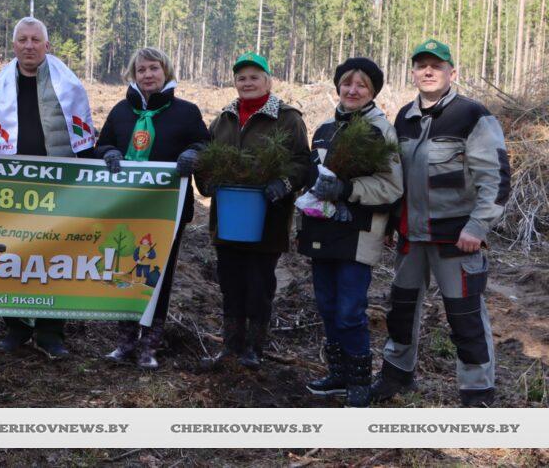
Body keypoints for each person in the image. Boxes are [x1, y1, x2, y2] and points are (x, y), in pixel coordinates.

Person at [371, 40, 510, 408]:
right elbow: (396, 177)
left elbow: (495, 178)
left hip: (456, 239)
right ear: (413, 73)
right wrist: (391, 224)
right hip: (411, 237)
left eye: (437, 65)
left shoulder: (472, 115)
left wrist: (477, 227)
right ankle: (396, 375)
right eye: (422, 66)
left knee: (466, 318)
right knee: (400, 311)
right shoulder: (404, 117)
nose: (428, 71)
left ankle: (477, 394)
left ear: (452, 73)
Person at [0, 16, 96, 358]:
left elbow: (83, 136)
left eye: (35, 40)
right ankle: (16, 327)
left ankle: (50, 332)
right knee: (12, 254)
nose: (29, 46)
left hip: (57, 187)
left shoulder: (68, 85)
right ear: (13, 45)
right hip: (11, 185)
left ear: (47, 45)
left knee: (54, 257)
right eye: (22, 40)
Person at [296, 57, 402, 406]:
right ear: (338, 86)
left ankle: (359, 381)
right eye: (347, 83)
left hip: (358, 234)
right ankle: (338, 374)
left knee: (349, 310)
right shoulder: (325, 128)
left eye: (362, 85)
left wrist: (347, 189)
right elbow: (312, 178)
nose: (352, 90)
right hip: (321, 230)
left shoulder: (380, 130)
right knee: (327, 306)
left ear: (373, 91)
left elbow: (391, 186)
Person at [95, 47, 209, 370]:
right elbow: (101, 145)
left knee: (159, 276)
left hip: (167, 212)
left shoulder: (187, 112)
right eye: (141, 70)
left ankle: (150, 345)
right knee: (125, 271)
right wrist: (108, 153)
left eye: (154, 68)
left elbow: (205, 144)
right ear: (133, 75)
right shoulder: (120, 111)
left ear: (166, 71)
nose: (148, 75)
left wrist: (193, 154)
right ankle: (125, 342)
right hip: (125, 208)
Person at [198, 52, 309, 369]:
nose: (247, 83)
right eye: (241, 78)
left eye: (254, 77)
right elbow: (206, 160)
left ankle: (254, 348)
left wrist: (283, 183)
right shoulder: (223, 119)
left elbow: (302, 162)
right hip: (228, 219)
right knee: (230, 284)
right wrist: (206, 183)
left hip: (268, 220)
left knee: (259, 285)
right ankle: (231, 346)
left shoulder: (287, 118)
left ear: (268, 81)